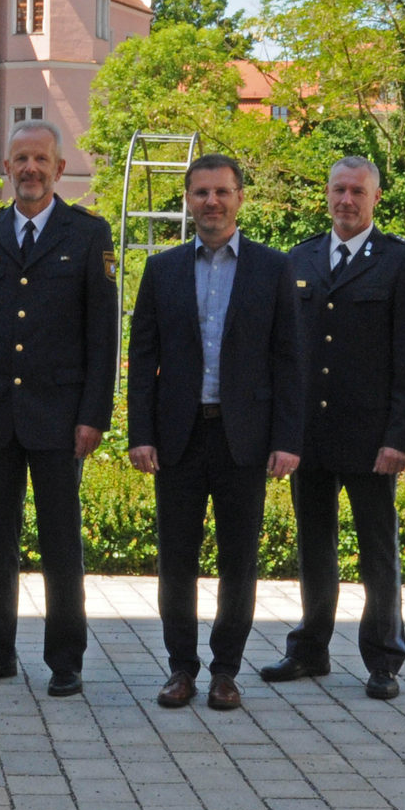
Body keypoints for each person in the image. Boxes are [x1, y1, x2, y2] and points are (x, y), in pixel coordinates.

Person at [0, 120, 117, 697]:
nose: (30, 169)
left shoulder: (88, 235)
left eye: (40, 159)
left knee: (60, 542)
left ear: (59, 169)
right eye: (19, 158)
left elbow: (104, 336)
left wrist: (94, 414)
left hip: (59, 417)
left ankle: (65, 659)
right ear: (5, 167)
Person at [128, 155, 303, 711]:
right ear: (187, 199)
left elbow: (288, 360)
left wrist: (287, 438)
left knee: (239, 561)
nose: (212, 201)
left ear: (239, 198)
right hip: (178, 437)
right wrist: (141, 432)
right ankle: (181, 668)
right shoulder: (163, 270)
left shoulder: (272, 269)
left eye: (222, 191)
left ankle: (226, 671)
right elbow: (142, 358)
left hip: (243, 438)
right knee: (175, 559)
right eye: (201, 192)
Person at [262, 157, 405, 700]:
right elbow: (283, 354)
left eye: (358, 191)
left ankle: (383, 657)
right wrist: (283, 432)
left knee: (378, 550)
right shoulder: (300, 258)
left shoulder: (404, 262)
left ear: (376, 197)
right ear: (327, 195)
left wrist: (400, 437)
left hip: (370, 436)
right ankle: (310, 647)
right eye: (338, 190)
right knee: (314, 546)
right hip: (310, 432)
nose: (347, 201)